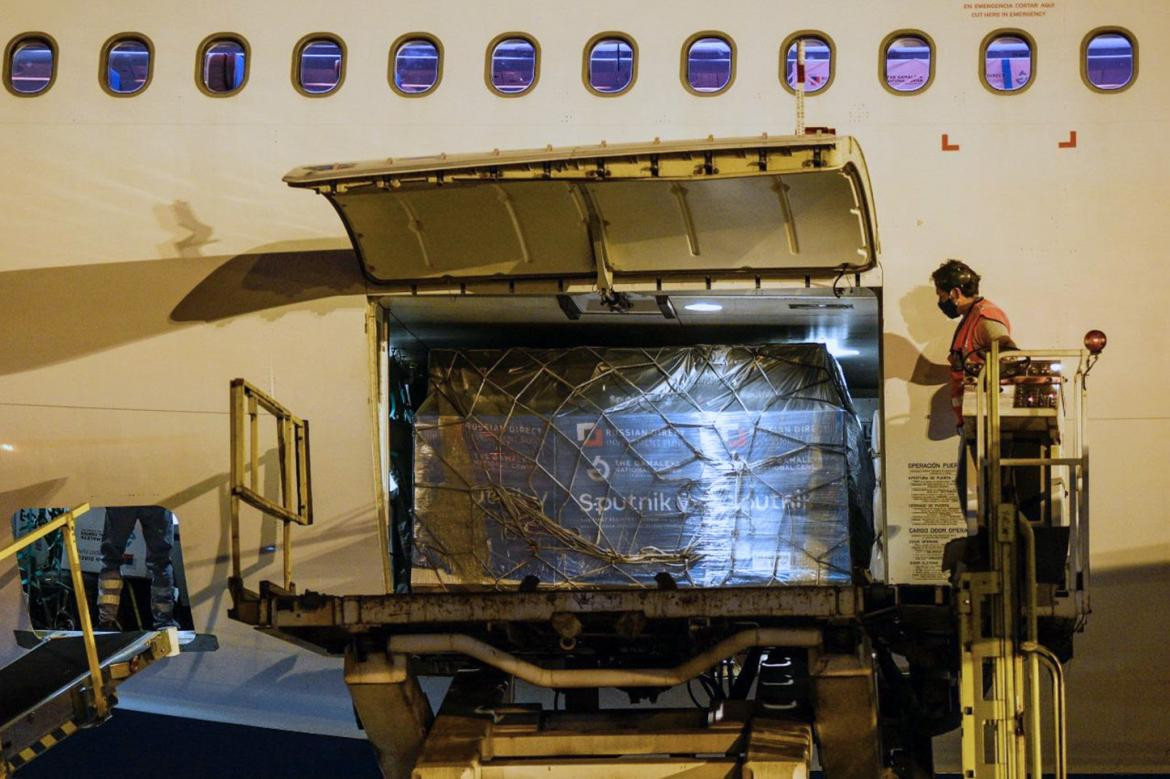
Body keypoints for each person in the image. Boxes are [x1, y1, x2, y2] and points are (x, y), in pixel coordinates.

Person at [932, 259, 1040, 531]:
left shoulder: (984, 317)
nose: (941, 301)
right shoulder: (970, 319)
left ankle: (998, 544)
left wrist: (986, 372)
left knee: (991, 493)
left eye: (941, 295)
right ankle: (990, 541)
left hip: (988, 423)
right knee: (974, 490)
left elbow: (1007, 352)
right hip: (973, 421)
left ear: (955, 293)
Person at [96, 506, 177, 630]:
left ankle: (107, 621)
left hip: (123, 497)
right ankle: (164, 622)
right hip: (157, 497)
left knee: (110, 560)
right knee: (161, 562)